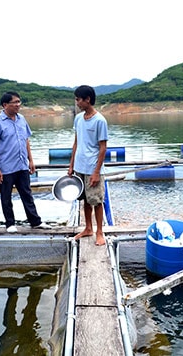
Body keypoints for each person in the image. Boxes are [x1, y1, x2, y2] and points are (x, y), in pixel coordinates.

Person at [0, 92, 50, 232]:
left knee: (27, 194)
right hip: (6, 167)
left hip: (22, 165)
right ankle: (10, 223)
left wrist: (31, 160)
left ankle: (35, 221)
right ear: (5, 105)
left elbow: (26, 140)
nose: (18, 105)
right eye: (14, 102)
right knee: (6, 196)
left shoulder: (21, 119)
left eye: (19, 102)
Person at [67, 85, 108, 246]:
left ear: (87, 99)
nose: (77, 103)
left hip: (93, 168)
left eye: (78, 99)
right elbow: (76, 142)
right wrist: (71, 166)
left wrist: (96, 172)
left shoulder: (100, 120)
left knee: (96, 201)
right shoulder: (78, 119)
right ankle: (88, 228)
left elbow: (103, 148)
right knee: (84, 200)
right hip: (79, 167)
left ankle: (99, 232)